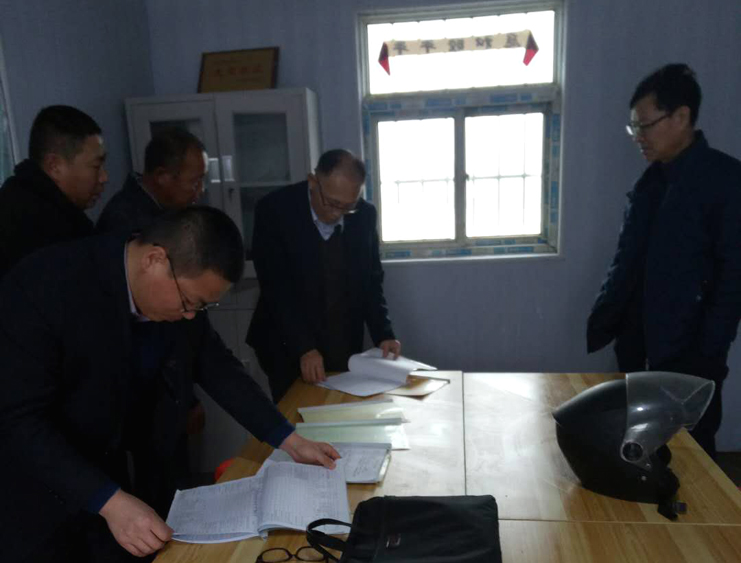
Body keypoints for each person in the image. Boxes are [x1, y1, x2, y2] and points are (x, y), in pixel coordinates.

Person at [0, 207, 339, 563]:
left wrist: (289, 439)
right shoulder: (45, 285)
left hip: (110, 472)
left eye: (200, 308)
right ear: (154, 260)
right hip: (37, 487)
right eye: (189, 302)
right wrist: (107, 500)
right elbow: (19, 421)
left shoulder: (177, 293)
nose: (190, 315)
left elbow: (217, 366)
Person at [587, 63, 741, 458]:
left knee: (691, 449)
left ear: (681, 117)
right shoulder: (651, 182)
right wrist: (610, 314)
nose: (638, 137)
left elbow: (733, 277)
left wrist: (708, 350)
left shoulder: (725, 180)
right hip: (640, 341)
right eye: (633, 128)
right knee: (638, 439)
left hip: (689, 349)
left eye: (645, 125)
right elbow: (627, 259)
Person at [247, 149, 401, 402]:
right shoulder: (274, 210)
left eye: (347, 207)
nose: (337, 213)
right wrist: (304, 348)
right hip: (286, 341)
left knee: (341, 409)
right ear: (313, 182)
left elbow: (371, 281)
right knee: (296, 412)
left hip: (341, 338)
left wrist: (384, 333)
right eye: (331, 203)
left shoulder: (364, 215)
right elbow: (277, 288)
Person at [0, 104, 107, 278]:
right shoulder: (41, 233)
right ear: (54, 166)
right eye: (96, 166)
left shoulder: (19, 197)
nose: (104, 177)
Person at [96, 127, 207, 234]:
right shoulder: (124, 222)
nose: (201, 189)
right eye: (195, 182)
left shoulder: (165, 208)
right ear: (162, 176)